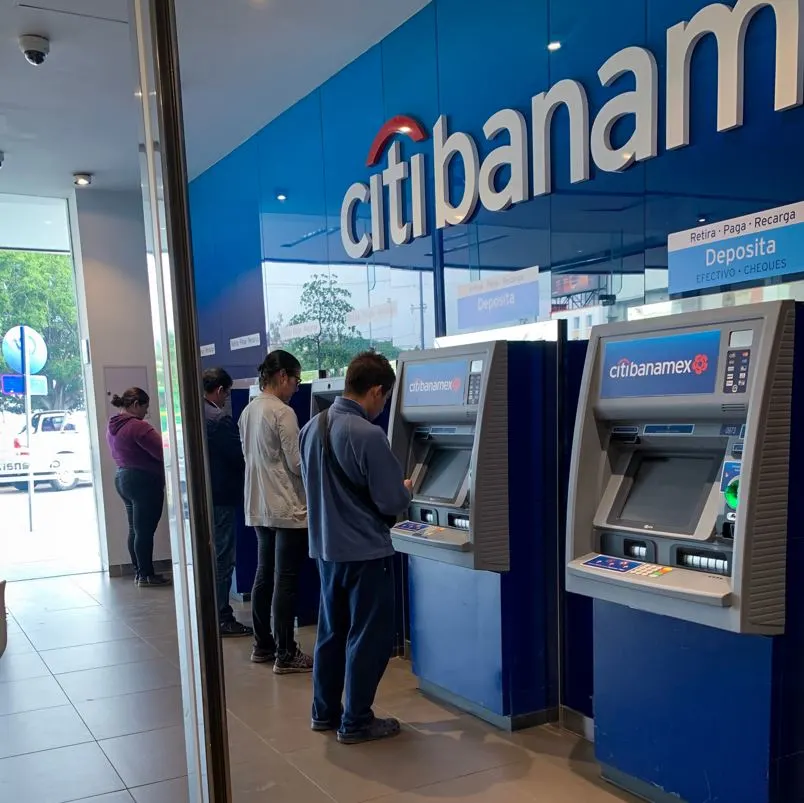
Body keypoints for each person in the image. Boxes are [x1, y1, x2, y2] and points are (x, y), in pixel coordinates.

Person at [300, 351, 412, 745]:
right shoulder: (368, 434)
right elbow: (391, 502)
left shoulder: (311, 427)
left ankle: (324, 713)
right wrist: (406, 491)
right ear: (377, 390)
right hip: (365, 553)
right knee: (368, 637)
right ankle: (357, 721)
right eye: (384, 399)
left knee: (331, 633)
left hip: (326, 551)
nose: (382, 408)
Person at [238, 350, 313, 673]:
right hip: (286, 507)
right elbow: (297, 464)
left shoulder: (248, 411)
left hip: (258, 505)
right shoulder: (283, 413)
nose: (297, 387)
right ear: (282, 376)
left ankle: (263, 645)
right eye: (296, 380)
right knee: (285, 581)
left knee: (263, 576)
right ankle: (287, 653)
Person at [203, 367, 253, 638]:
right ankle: (223, 615)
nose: (227, 399)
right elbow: (240, 455)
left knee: (214, 555)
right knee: (224, 558)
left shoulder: (196, 413)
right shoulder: (219, 419)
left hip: (207, 494)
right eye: (227, 393)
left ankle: (213, 611)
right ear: (220, 390)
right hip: (222, 496)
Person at [107, 387, 171, 587]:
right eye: (145, 407)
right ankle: (146, 575)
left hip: (123, 477)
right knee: (144, 531)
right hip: (144, 480)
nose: (146, 413)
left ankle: (139, 572)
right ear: (135, 405)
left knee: (135, 529)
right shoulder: (138, 427)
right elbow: (163, 451)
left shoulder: (113, 425)